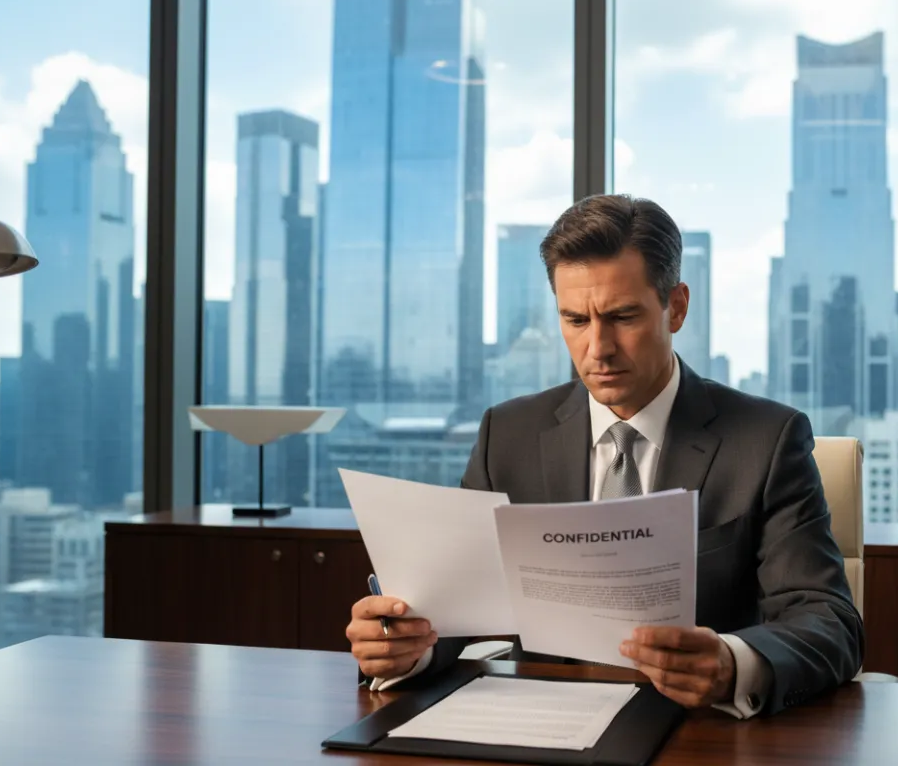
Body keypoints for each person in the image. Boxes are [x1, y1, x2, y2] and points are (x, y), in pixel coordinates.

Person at [346, 194, 864, 717]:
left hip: (697, 729)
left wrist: (732, 663)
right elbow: (454, 609)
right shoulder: (507, 435)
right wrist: (405, 648)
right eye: (575, 320)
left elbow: (829, 621)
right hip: (540, 723)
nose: (598, 348)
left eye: (622, 316)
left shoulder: (766, 441)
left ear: (676, 307)